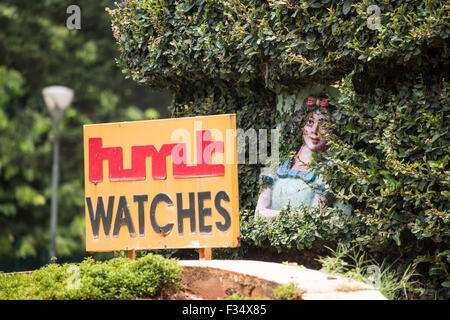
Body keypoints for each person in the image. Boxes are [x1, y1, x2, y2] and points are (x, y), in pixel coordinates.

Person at [255, 94, 351, 219]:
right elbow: (259, 214)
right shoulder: (277, 166)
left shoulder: (328, 171)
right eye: (310, 122)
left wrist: (273, 216)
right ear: (301, 126)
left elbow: (314, 216)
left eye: (323, 125)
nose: (314, 130)